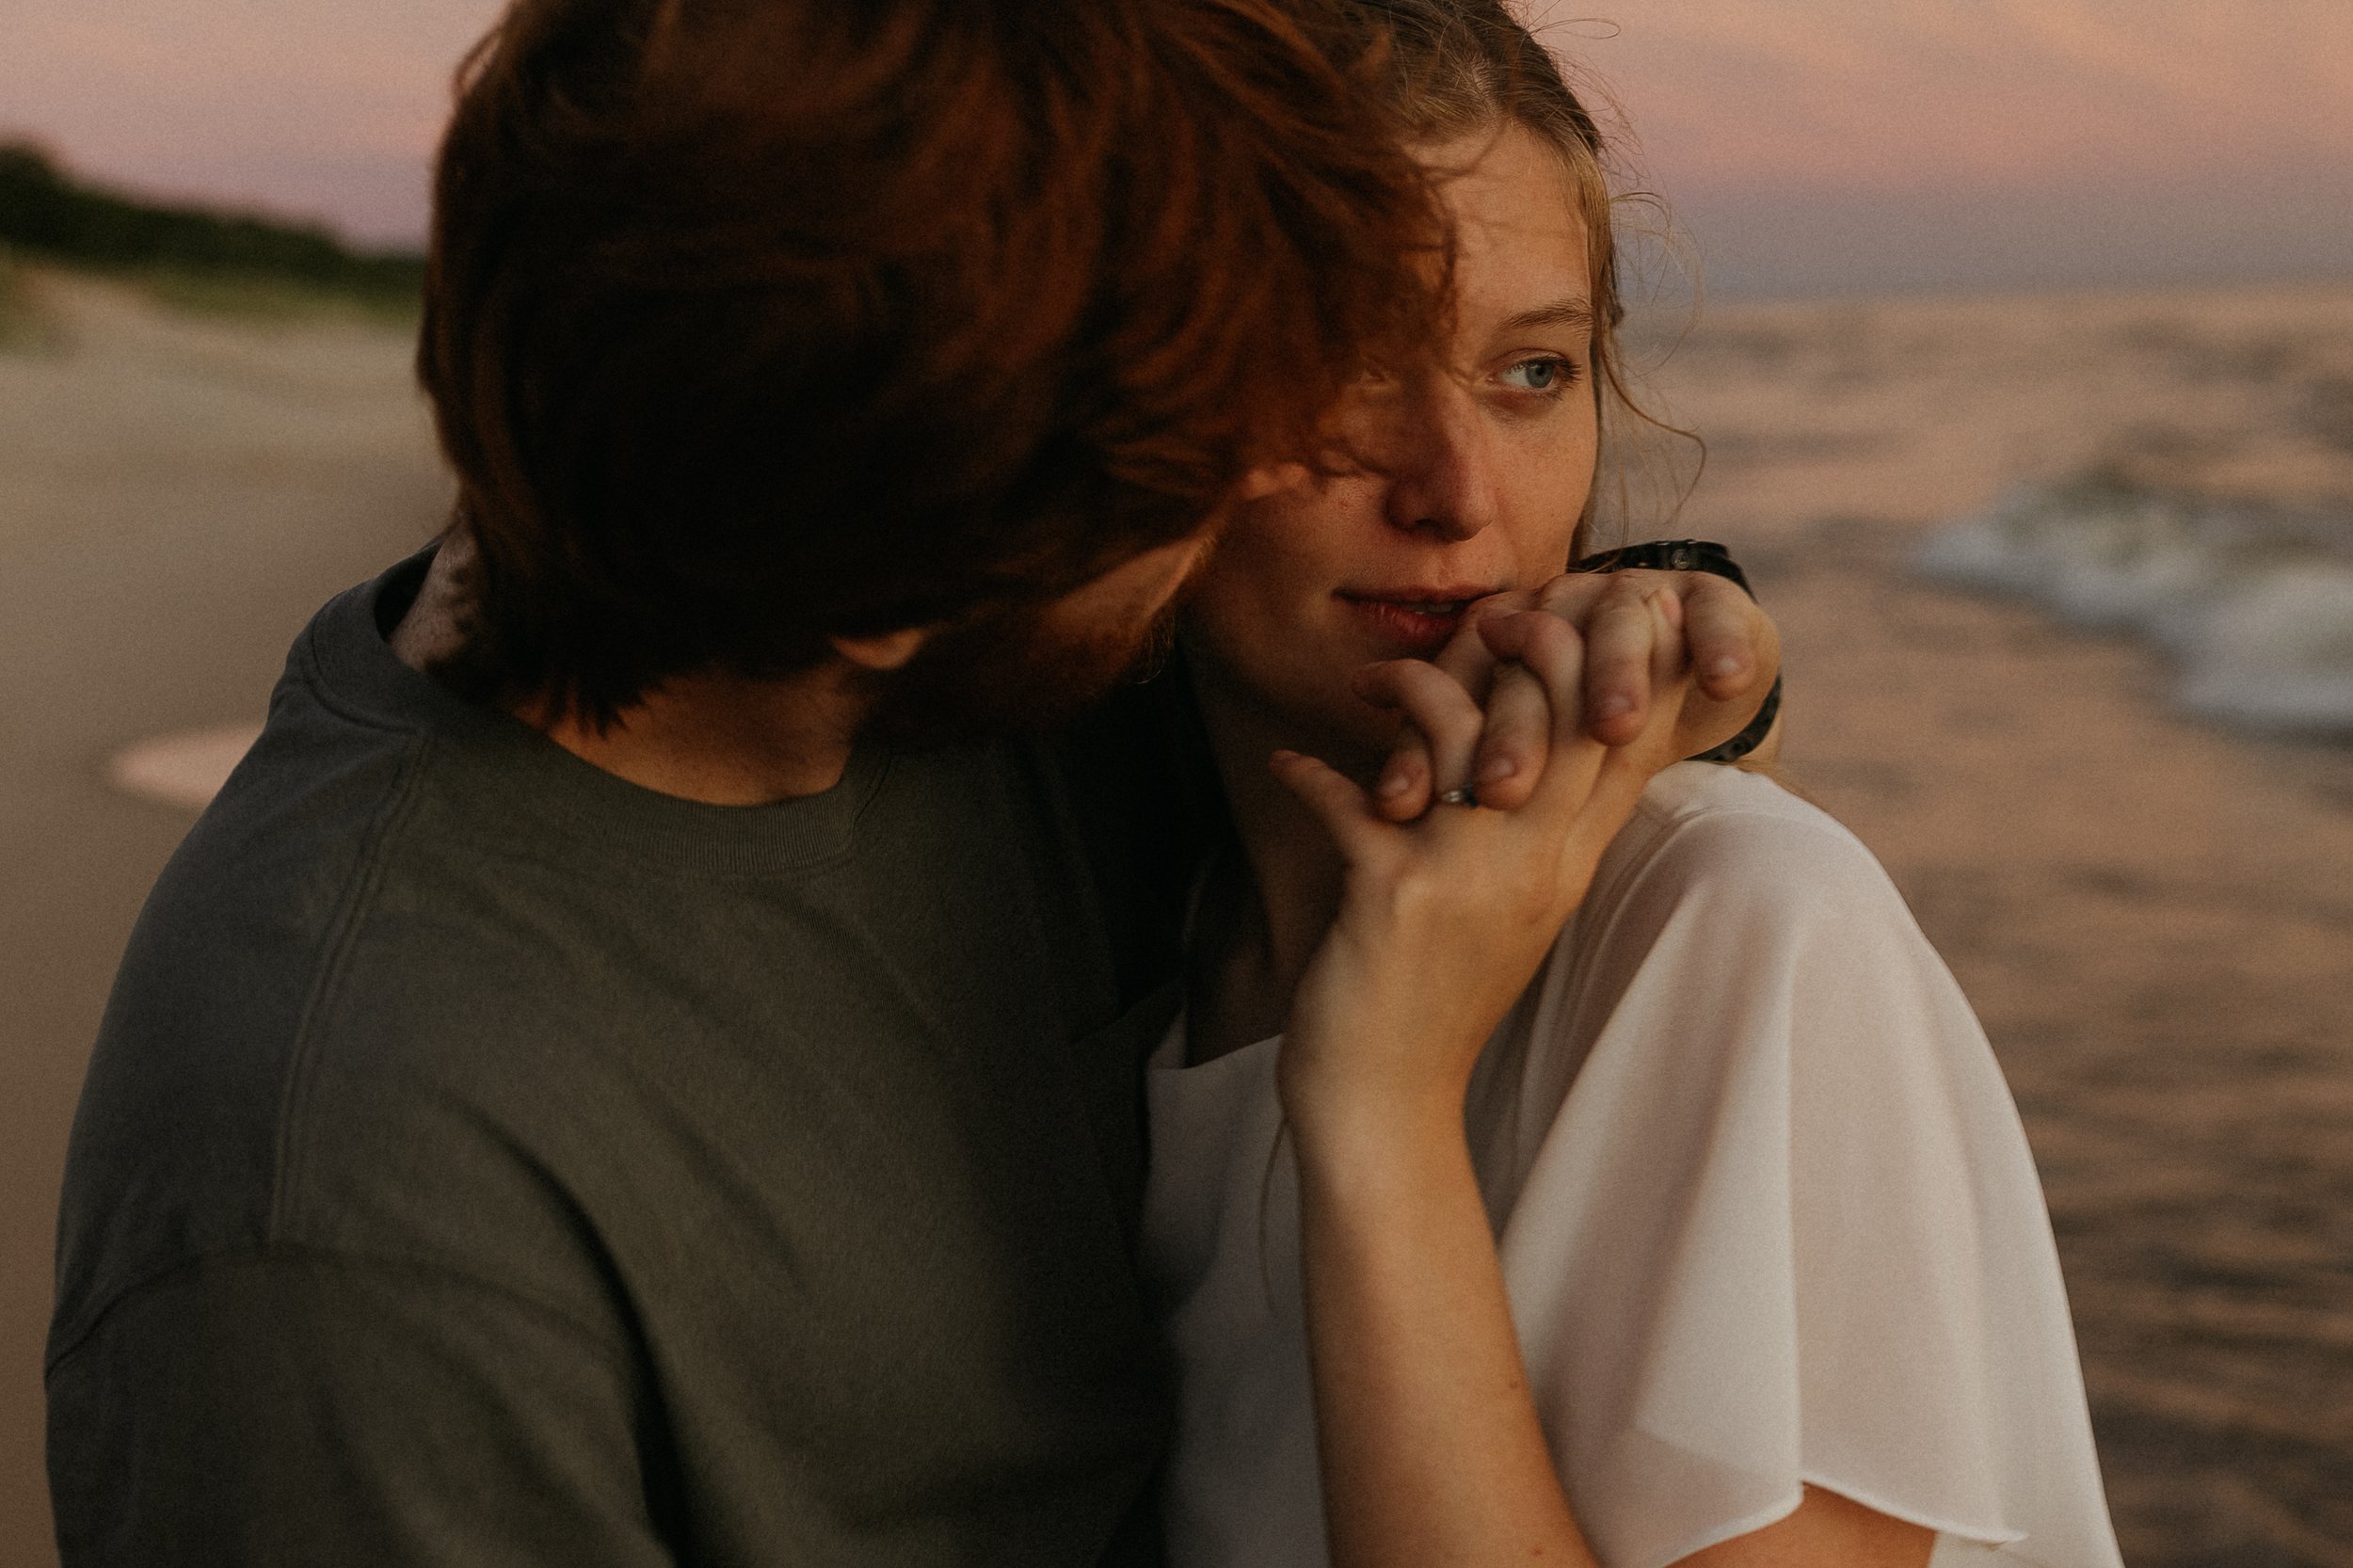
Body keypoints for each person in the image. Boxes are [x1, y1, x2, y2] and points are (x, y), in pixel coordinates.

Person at [43, 0, 1782, 1562]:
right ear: (902, 590)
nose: (1270, 488)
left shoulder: (953, 658)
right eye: (1220, 438)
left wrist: (1684, 634)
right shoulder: (338, 1234)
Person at [1141, 4, 2126, 1566]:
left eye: (1532, 370)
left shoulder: (1738, 922)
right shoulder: (1113, 904)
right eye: (1331, 368)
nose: (1457, 492)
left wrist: (1384, 1107)